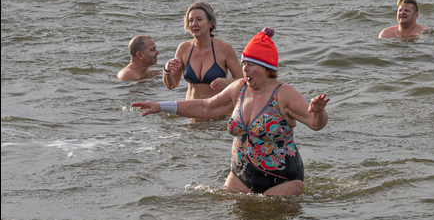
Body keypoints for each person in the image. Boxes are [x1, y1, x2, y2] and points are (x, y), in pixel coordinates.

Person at [133, 29, 329, 196]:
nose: (245, 70)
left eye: (251, 65)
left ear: (267, 69)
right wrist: (161, 105)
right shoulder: (240, 89)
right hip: (240, 176)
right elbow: (205, 107)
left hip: (283, 179)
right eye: (244, 64)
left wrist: (319, 112)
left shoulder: (284, 94)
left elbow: (315, 124)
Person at [161, 1, 243, 98]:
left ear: (210, 23)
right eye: (191, 21)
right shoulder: (184, 48)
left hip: (216, 110)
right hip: (190, 110)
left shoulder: (224, 48)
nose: (194, 24)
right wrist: (167, 70)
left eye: (199, 19)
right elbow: (171, 85)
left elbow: (243, 80)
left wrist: (227, 82)